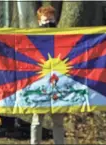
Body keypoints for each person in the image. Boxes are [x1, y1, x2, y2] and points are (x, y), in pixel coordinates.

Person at [30, 5, 65, 144]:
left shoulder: (64, 38)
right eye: (45, 21)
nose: (49, 24)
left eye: (51, 21)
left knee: (58, 121)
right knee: (37, 120)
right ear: (39, 22)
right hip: (40, 84)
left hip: (58, 84)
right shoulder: (32, 40)